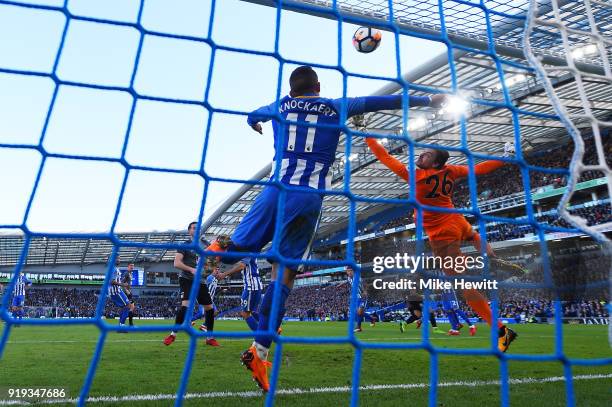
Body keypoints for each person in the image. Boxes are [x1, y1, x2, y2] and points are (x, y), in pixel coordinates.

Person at [206, 65, 446, 391]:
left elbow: (253, 114)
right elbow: (382, 102)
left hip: (273, 191)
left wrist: (254, 121)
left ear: (292, 91)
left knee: (233, 248)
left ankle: (210, 254)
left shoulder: (280, 105)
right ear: (318, 86)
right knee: (283, 274)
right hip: (306, 199)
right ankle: (259, 352)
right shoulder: (335, 105)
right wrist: (428, 99)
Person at [365, 137, 517, 352]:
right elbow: (479, 169)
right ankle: (493, 258)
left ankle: (502, 331)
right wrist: (505, 158)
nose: (420, 155)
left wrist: (368, 137)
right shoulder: (451, 171)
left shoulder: (415, 176)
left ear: (435, 163)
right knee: (473, 237)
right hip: (457, 219)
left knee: (463, 285)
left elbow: (384, 156)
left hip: (443, 233)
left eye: (425, 155)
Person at [164, 222, 219, 347]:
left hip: (201, 281)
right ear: (189, 231)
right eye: (193, 228)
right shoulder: (185, 245)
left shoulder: (207, 245)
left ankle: (209, 337)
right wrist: (191, 269)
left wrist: (213, 269)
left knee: (209, 309)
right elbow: (176, 263)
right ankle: (172, 335)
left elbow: (211, 262)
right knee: (186, 306)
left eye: (198, 228)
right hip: (187, 279)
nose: (196, 230)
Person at [215, 257, 263, 332]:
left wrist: (224, 274)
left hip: (251, 286)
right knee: (253, 311)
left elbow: (241, 266)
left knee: (245, 313)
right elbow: (239, 263)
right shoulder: (251, 250)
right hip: (254, 285)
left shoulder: (247, 250)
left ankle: (260, 339)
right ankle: (272, 328)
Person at [346, 267, 374, 332]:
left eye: (351, 270)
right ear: (346, 272)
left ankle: (358, 327)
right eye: (348, 271)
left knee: (359, 312)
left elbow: (365, 284)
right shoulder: (349, 278)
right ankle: (371, 319)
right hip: (356, 298)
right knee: (359, 312)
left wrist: (365, 291)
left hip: (363, 297)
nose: (349, 272)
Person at [108, 261, 132, 332]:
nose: (119, 260)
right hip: (115, 291)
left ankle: (120, 326)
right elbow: (112, 281)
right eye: (118, 258)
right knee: (127, 306)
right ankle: (122, 326)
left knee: (124, 307)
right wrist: (122, 284)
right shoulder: (113, 269)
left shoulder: (115, 268)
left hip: (118, 290)